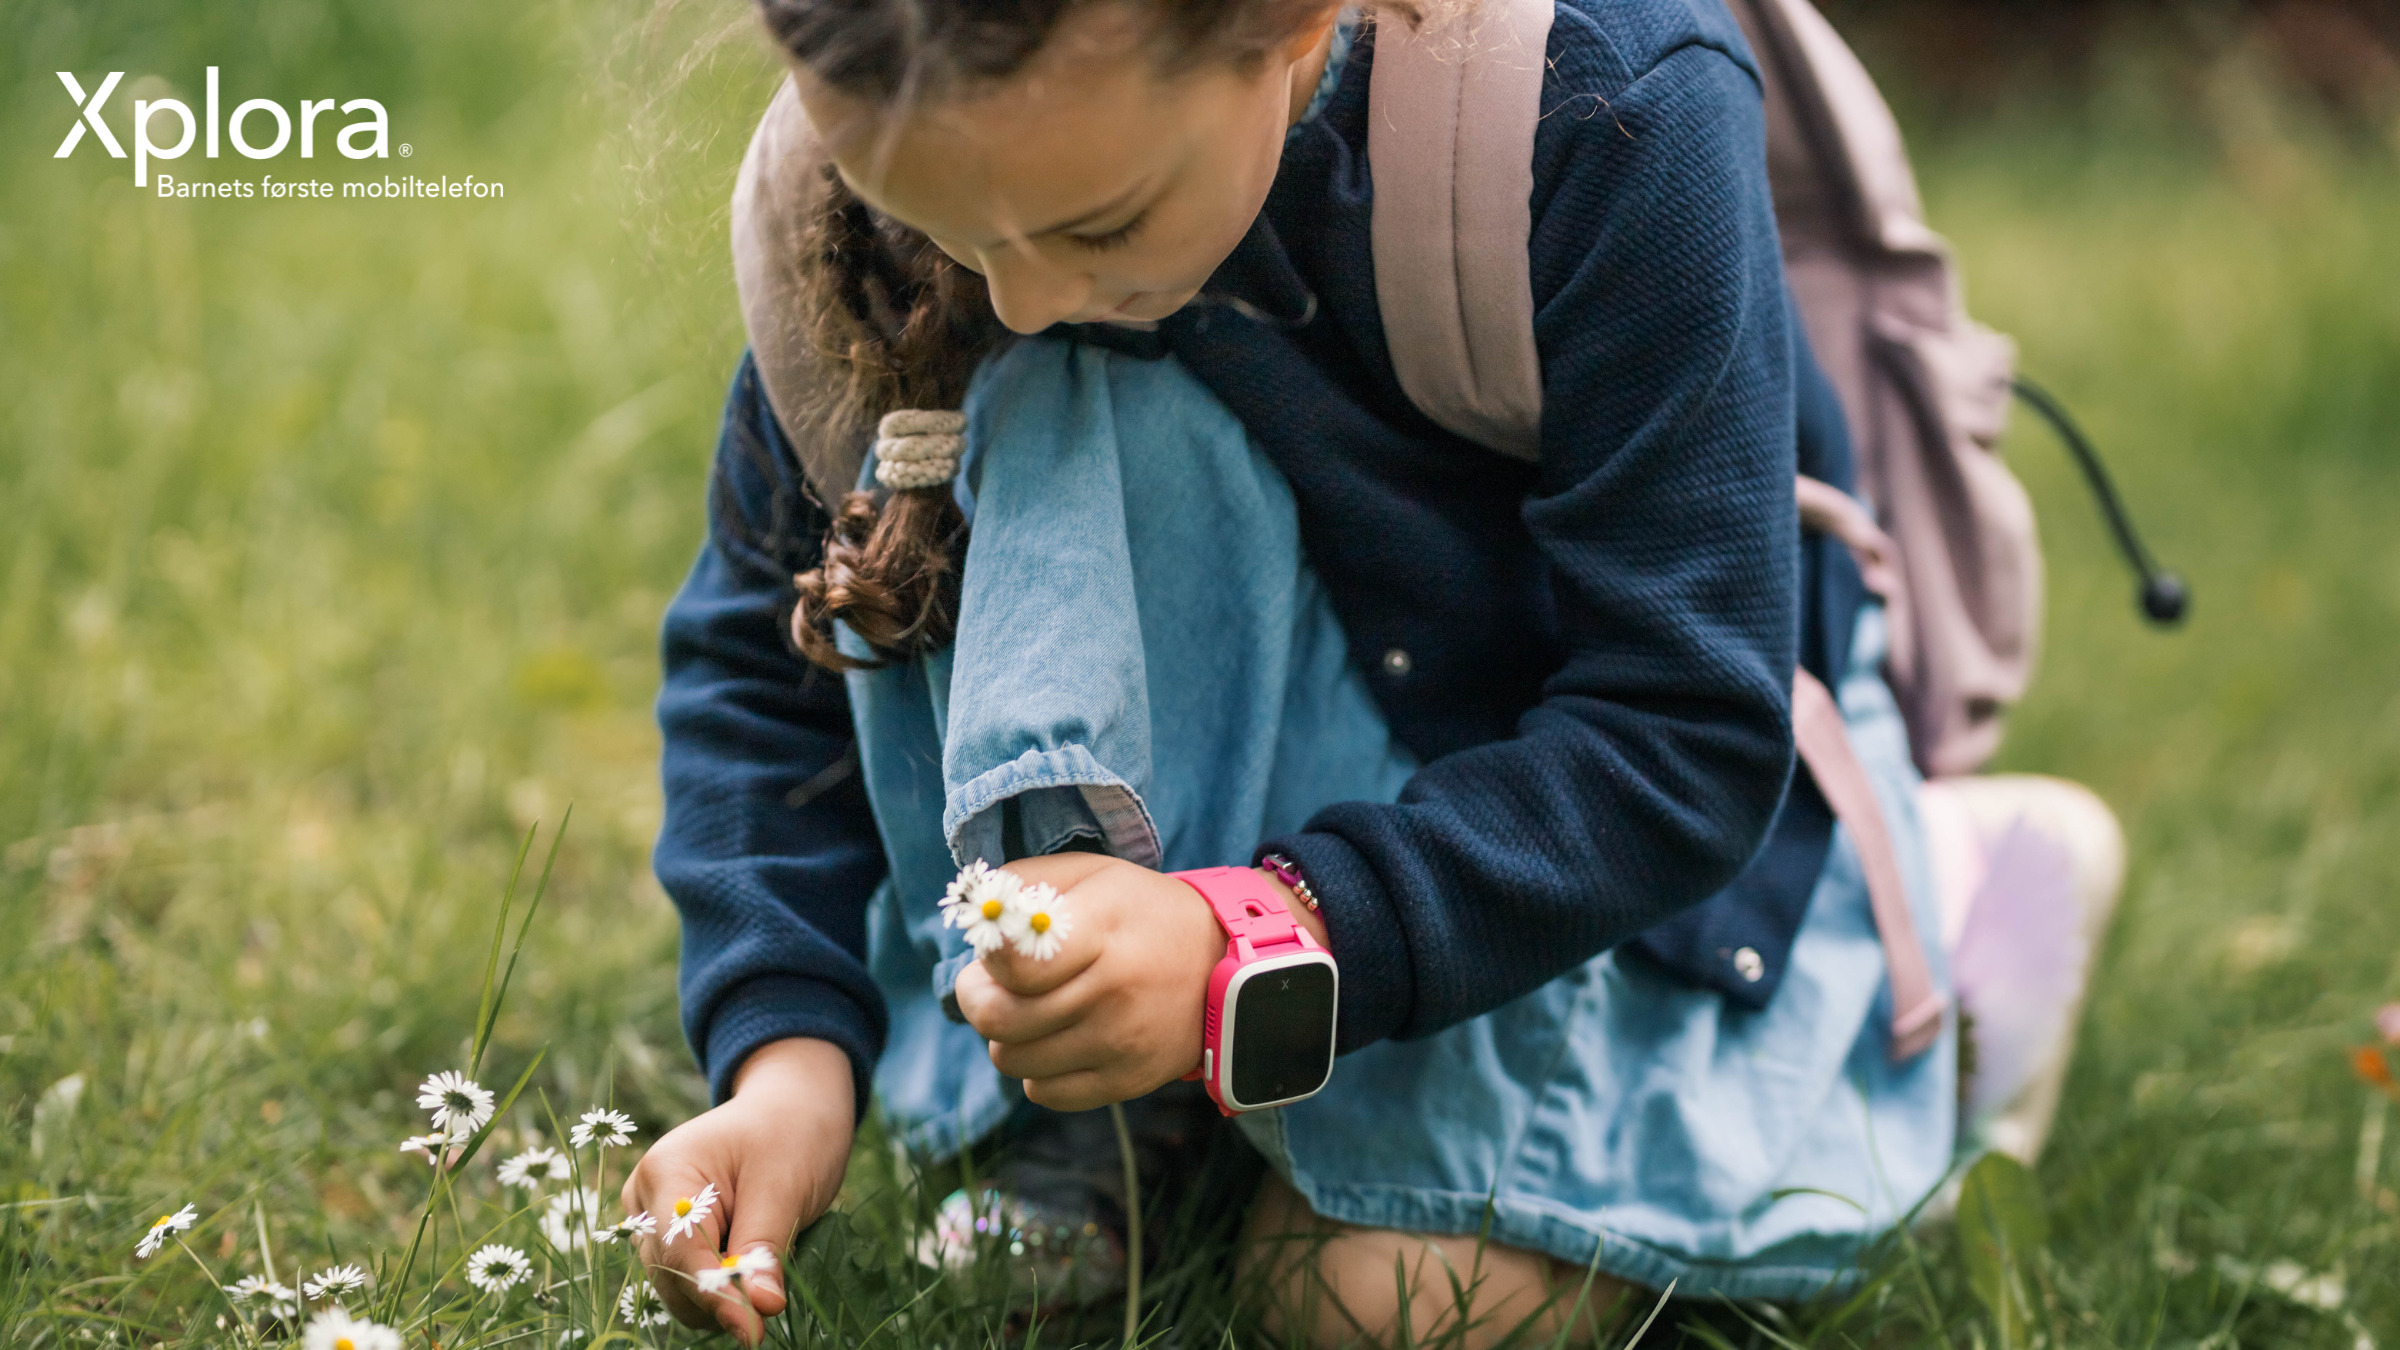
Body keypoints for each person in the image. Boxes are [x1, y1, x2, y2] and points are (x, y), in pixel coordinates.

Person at [623, 0, 1956, 1344]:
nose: (1016, 293)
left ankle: (1993, 897)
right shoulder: (889, 127)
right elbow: (768, 650)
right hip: (1275, 804)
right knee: (1066, 374)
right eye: (948, 226)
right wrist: (785, 1060)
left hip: (1573, 852)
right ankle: (1139, 1103)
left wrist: (1254, 934)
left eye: (1099, 222)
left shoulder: (1609, 110)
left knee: (1357, 1301)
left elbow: (1683, 733)